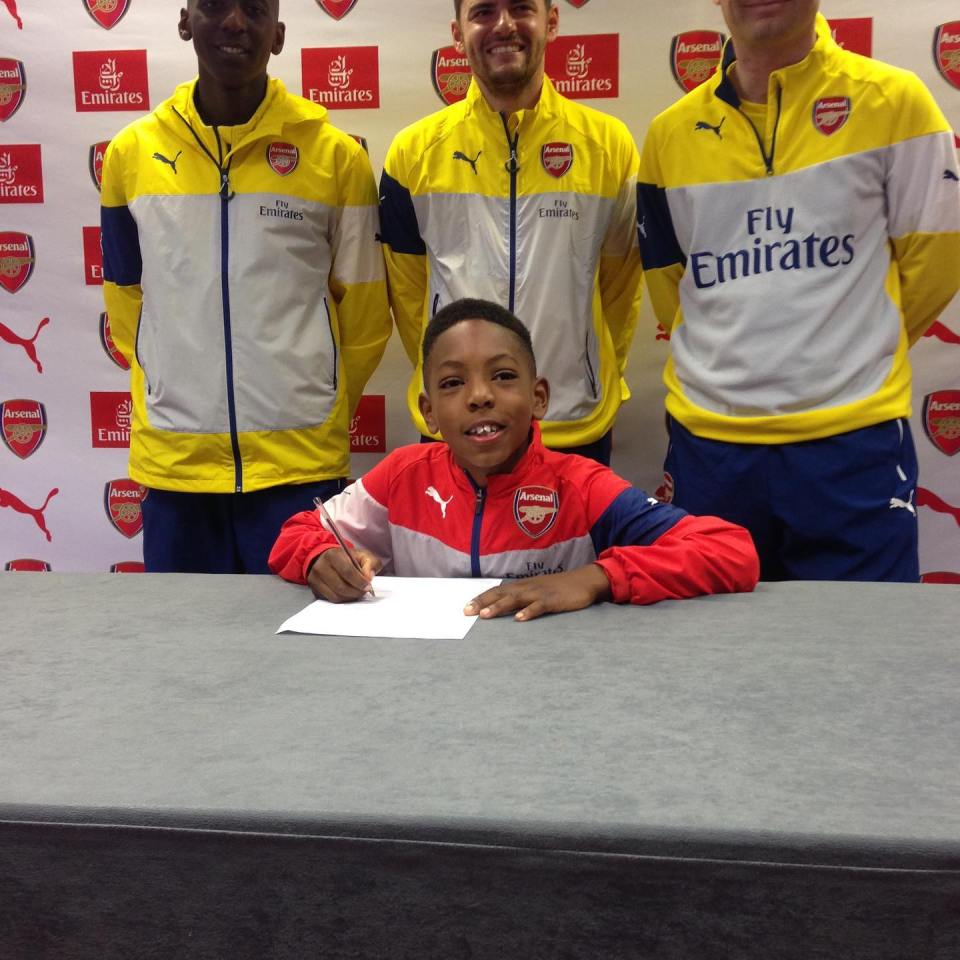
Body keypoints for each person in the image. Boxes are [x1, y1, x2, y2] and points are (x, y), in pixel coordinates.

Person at [637, 1, 960, 582]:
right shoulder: (668, 134)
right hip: (711, 449)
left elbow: (936, 260)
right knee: (710, 658)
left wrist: (849, 349)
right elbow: (671, 288)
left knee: (864, 653)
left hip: (850, 447)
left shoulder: (896, 100)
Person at [100, 0, 391, 574]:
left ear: (277, 35)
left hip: (298, 469)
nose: (234, 22)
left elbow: (364, 312)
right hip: (177, 468)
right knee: (184, 653)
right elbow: (126, 298)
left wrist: (317, 404)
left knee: (296, 658)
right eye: (214, 6)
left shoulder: (335, 156)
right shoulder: (130, 155)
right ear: (185, 22)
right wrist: (171, 383)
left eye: (255, 10)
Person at [269, 299, 758, 621]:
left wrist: (595, 579)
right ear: (428, 411)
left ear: (539, 397)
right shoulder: (402, 475)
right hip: (422, 688)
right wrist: (320, 558)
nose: (480, 396)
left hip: (551, 691)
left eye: (503, 376)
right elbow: (297, 533)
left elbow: (731, 551)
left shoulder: (581, 487)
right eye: (453, 383)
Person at [378, 0, 642, 466]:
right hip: (457, 429)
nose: (503, 25)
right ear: (457, 34)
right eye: (482, 12)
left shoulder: (609, 147)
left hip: (571, 424)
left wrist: (587, 373)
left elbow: (619, 289)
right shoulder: (412, 154)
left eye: (521, 7)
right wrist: (455, 385)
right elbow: (410, 297)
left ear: (552, 21)